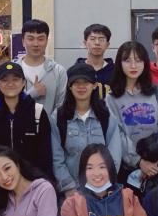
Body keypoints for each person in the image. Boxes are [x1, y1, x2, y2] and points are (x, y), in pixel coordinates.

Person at [106, 40, 158, 189]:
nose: (133, 65)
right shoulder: (111, 98)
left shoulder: (157, 92)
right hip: (128, 168)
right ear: (119, 64)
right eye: (127, 61)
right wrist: (139, 162)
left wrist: (157, 159)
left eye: (138, 60)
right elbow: (117, 134)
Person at [51, 64, 122, 196]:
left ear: (94, 85)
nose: (81, 86)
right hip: (71, 193)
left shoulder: (105, 115)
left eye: (86, 82)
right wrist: (69, 187)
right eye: (76, 82)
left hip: (102, 190)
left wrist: (104, 185)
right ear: (69, 86)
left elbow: (115, 155)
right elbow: (56, 158)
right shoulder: (59, 117)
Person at [0, 61, 54, 181]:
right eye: (4, 80)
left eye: (15, 79)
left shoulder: (37, 112)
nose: (10, 84)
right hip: (1, 183)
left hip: (32, 182)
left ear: (23, 83)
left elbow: (46, 155)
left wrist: (45, 182)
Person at [18, 19, 67, 116]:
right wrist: (31, 94)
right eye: (31, 39)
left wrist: (49, 124)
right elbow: (7, 106)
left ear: (47, 41)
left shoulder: (58, 71)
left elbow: (61, 107)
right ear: (23, 41)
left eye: (40, 39)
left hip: (50, 125)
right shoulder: (12, 71)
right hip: (18, 125)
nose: (36, 44)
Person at [72, 23, 114, 100]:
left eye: (101, 39)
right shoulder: (75, 71)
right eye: (92, 39)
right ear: (85, 43)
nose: (97, 43)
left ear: (107, 45)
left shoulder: (116, 71)